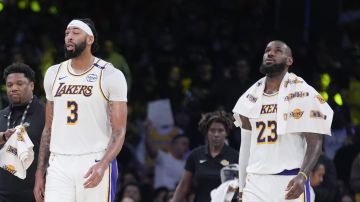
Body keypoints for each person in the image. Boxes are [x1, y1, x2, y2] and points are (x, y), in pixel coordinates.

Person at [33, 18, 128, 202]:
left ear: (90, 39)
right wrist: (40, 171)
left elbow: (119, 131)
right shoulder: (53, 73)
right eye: (67, 33)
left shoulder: (110, 74)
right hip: (59, 162)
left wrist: (103, 164)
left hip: (94, 159)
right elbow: (48, 127)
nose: (69, 37)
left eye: (75, 33)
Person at [233, 40, 333, 201]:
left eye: (278, 51)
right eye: (267, 50)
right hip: (255, 181)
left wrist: (303, 175)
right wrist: (242, 185)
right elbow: (245, 146)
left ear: (289, 60)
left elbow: (315, 142)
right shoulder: (248, 98)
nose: (270, 53)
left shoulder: (304, 93)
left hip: (289, 180)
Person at [0, 63, 45, 202]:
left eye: (19, 84)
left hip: (35, 194)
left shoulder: (46, 114)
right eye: (9, 85)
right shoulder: (2, 115)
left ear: (32, 85)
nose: (13, 88)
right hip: (4, 195)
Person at [171, 111, 239, 202]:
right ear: (207, 132)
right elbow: (183, 187)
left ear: (226, 133)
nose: (216, 134)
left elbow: (242, 188)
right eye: (212, 130)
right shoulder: (195, 155)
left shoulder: (235, 156)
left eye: (220, 130)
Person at [145, 121, 189, 190]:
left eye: (187, 145)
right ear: (174, 144)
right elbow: (149, 147)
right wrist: (148, 131)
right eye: (183, 144)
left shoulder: (186, 165)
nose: (186, 147)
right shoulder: (163, 157)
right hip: (160, 196)